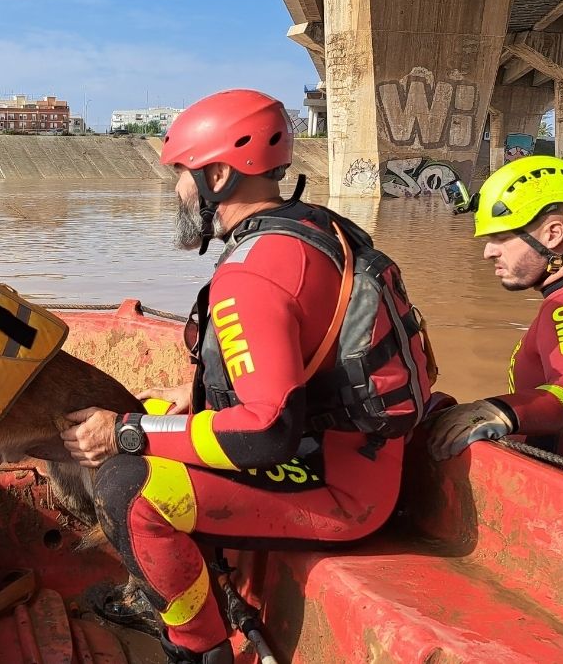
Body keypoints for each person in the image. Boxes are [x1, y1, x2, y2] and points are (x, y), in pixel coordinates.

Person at [60, 90, 433, 663]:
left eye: (181, 176)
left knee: (127, 487)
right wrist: (190, 395)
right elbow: (308, 356)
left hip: (340, 491)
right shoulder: (310, 230)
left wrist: (126, 433)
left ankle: (198, 647)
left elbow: (264, 434)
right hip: (354, 453)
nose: (176, 192)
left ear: (215, 176)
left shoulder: (253, 272)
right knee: (156, 417)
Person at [426, 156, 563, 464]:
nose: (488, 252)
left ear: (552, 236)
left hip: (558, 493)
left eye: (501, 238)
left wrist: (502, 411)